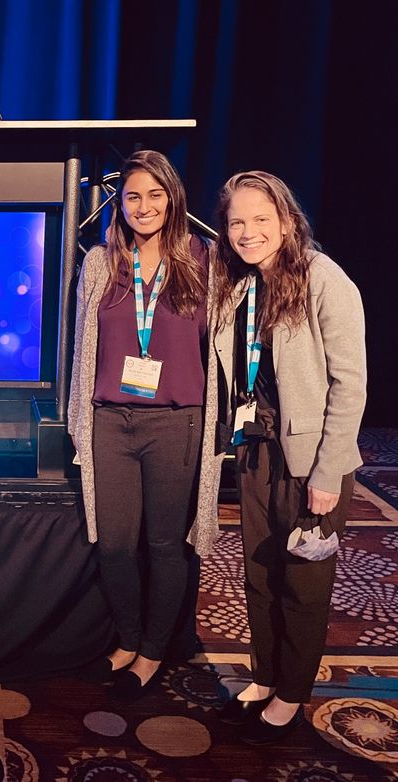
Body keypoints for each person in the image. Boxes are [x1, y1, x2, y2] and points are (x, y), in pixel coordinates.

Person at [212, 172, 366, 744]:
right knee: (259, 571)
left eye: (260, 219)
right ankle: (266, 675)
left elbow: (350, 386)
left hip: (313, 460)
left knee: (303, 581)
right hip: (258, 451)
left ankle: (292, 694)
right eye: (236, 222)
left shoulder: (326, 281)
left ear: (287, 220)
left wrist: (328, 473)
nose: (248, 232)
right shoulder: (242, 284)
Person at [69, 150, 222, 701]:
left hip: (176, 424)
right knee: (112, 545)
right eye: (133, 195)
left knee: (164, 545)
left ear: (173, 199)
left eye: (155, 194)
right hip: (110, 421)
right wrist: (77, 419)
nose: (144, 206)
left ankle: (155, 649)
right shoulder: (100, 262)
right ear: (121, 203)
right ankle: (128, 640)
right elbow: (84, 350)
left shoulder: (206, 261)